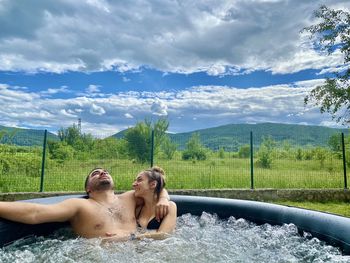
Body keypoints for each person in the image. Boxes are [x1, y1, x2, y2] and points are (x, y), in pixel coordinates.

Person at [0, 168, 170, 240]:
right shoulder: (78, 206)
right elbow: (35, 213)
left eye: (105, 172)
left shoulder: (130, 197)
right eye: (96, 173)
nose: (103, 172)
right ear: (88, 188)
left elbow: (155, 187)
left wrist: (163, 198)